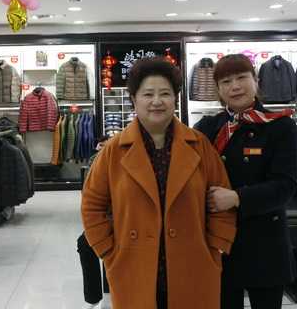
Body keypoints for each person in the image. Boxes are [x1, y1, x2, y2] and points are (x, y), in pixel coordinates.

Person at [81, 57, 236, 309]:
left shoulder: (200, 146)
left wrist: (217, 246)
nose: (156, 101)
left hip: (194, 264)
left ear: (175, 98)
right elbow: (92, 204)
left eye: (165, 93)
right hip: (132, 264)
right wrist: (108, 251)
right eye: (147, 94)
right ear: (134, 99)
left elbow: (222, 198)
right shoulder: (113, 151)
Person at [194, 54, 297, 309]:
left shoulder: (280, 126)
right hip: (220, 241)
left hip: (265, 243)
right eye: (226, 81)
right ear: (218, 89)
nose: (235, 86)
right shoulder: (207, 128)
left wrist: (237, 197)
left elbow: (285, 187)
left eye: (241, 78)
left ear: (256, 80)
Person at [77, 135, 110, 309]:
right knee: (86, 243)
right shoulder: (94, 162)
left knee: (106, 244)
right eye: (101, 146)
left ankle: (106, 292)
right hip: (107, 215)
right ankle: (94, 296)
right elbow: (90, 196)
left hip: (127, 216)